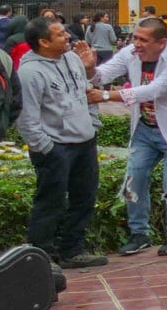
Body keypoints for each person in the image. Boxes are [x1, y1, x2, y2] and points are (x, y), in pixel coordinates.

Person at [87, 16, 167, 257]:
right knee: (133, 181)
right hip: (144, 128)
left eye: (143, 40)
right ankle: (139, 234)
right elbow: (103, 74)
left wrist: (106, 97)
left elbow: (156, 90)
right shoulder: (130, 53)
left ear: (161, 42)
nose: (137, 44)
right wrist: (91, 66)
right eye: (135, 37)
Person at [17, 17, 105, 269]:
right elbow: (27, 117)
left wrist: (92, 125)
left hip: (84, 142)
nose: (68, 36)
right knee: (50, 202)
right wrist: (47, 148)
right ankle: (40, 258)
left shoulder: (72, 59)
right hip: (55, 148)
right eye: (59, 34)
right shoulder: (30, 73)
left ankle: (71, 250)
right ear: (43, 42)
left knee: (84, 198)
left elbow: (84, 93)